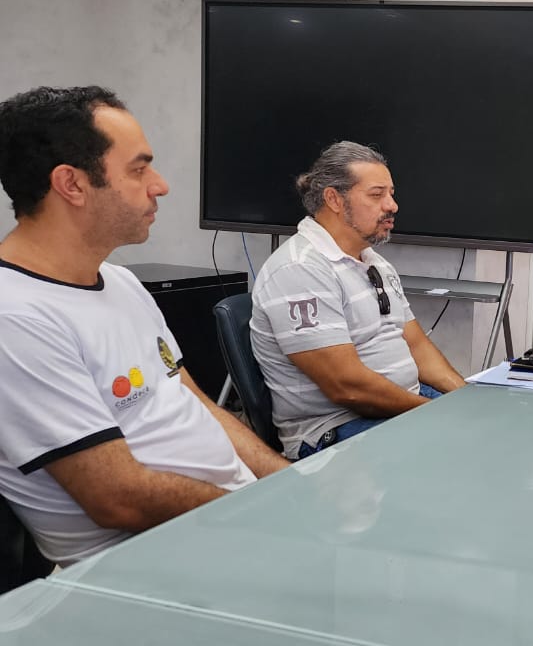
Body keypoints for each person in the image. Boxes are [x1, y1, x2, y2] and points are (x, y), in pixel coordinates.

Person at [0, 86, 288, 566]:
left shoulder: (120, 281)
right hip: (149, 562)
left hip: (225, 528)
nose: (160, 185)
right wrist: (259, 516)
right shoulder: (16, 317)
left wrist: (290, 486)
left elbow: (193, 401)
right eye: (138, 170)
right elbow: (117, 498)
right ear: (71, 184)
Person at [250, 141, 466, 460]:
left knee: (494, 426)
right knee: (464, 452)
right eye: (377, 195)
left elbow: (416, 345)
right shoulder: (300, 269)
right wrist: (433, 412)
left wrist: (466, 398)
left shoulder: (375, 262)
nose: (392, 205)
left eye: (391, 193)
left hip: (403, 404)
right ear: (334, 199)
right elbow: (347, 387)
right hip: (336, 429)